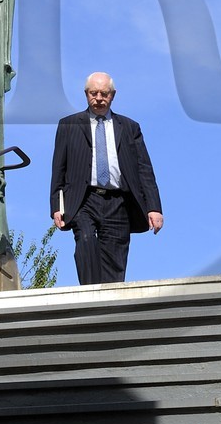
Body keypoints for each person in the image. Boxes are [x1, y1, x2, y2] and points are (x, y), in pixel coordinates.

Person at [50, 71, 164, 285]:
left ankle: (110, 306)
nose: (99, 98)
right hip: (83, 199)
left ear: (113, 95)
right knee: (85, 242)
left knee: (114, 260)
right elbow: (59, 168)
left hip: (118, 201)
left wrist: (154, 207)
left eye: (104, 93)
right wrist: (56, 204)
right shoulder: (69, 125)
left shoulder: (130, 128)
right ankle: (90, 296)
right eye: (93, 93)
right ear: (86, 94)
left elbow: (144, 169)